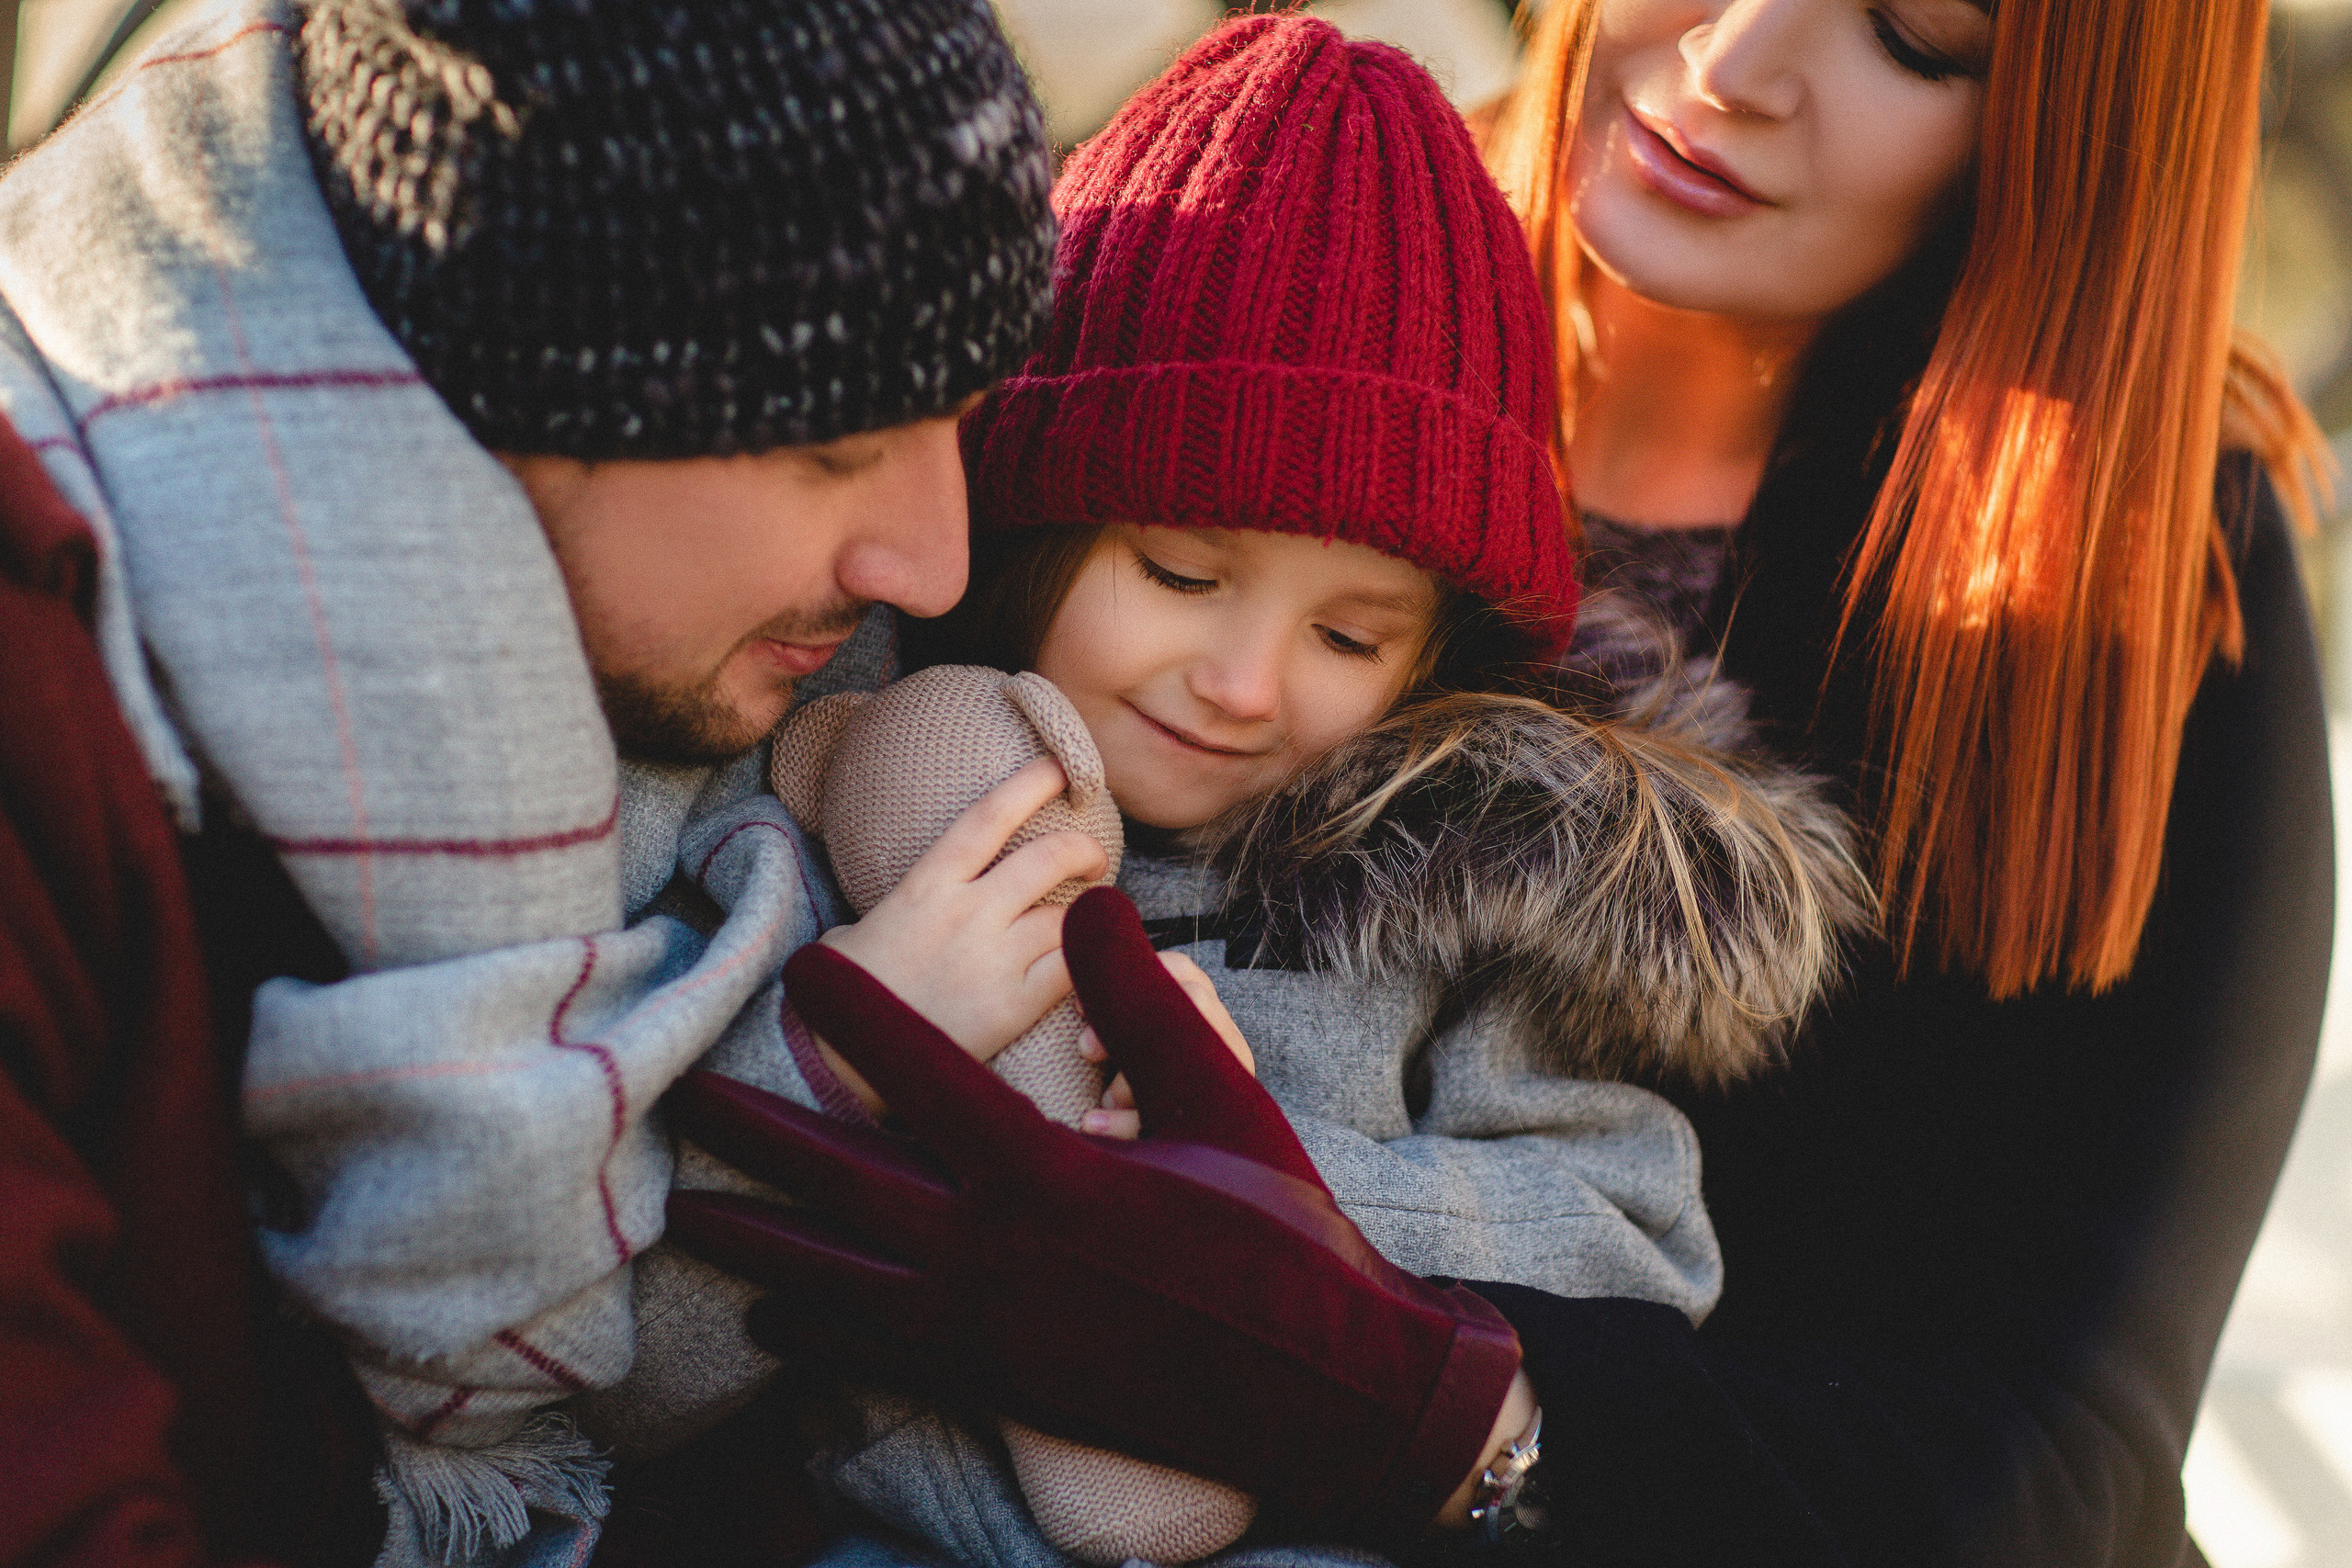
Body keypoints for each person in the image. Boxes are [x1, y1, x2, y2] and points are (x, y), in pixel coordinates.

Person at [666, 0, 2337, 1563]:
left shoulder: (2135, 573)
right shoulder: (1242, 240)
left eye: (1913, 34)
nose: (1732, 62)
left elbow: (2058, 1451)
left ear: (2066, 125)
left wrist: (1421, 1388)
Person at [616, 21, 1863, 1566]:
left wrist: (1270, 1193)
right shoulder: (843, 800)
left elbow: (1638, 1246)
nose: (1249, 683)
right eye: (1182, 573)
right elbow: (624, 1378)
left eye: (1353, 634)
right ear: (1038, 515)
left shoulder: (1451, 877)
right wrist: (846, 1049)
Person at [0, 0, 1072, 1563]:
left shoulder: (771, 715)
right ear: (492, 384)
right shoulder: (41, 722)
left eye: (960, 425)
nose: (935, 559)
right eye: (832, 448)